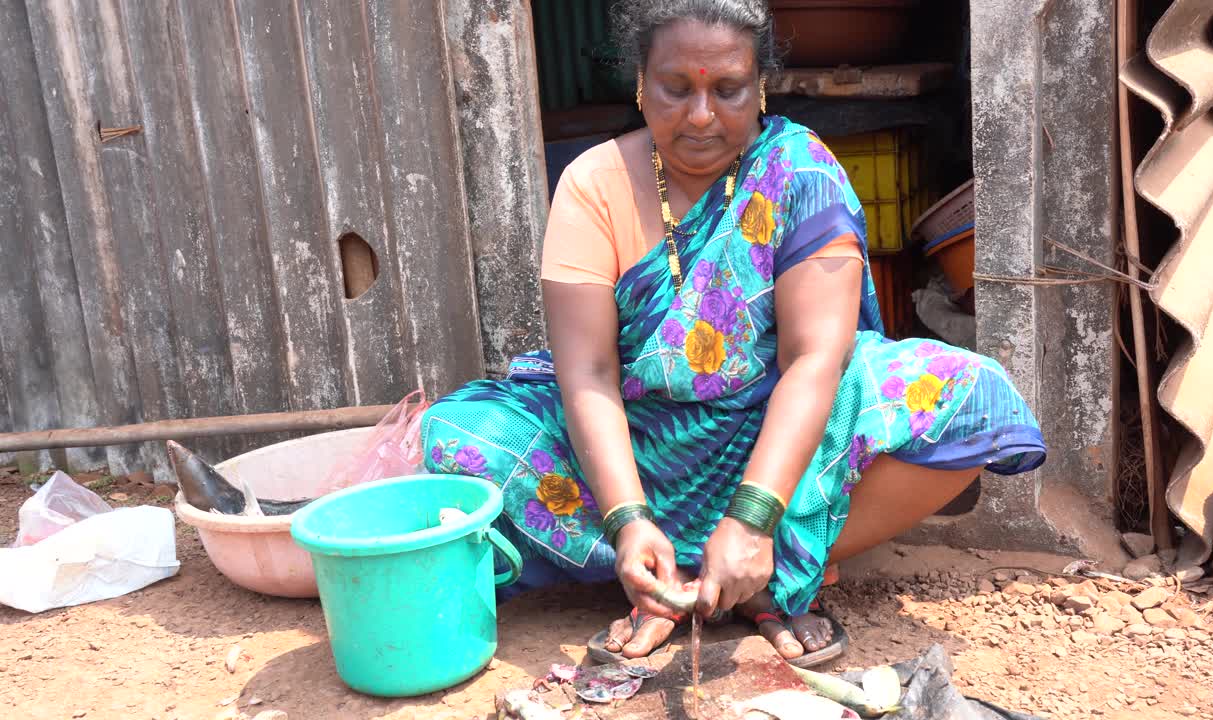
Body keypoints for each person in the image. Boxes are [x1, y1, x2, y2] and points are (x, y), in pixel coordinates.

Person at [420, 0, 1045, 668]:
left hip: (781, 442)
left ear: (760, 86)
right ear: (639, 83)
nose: (700, 116)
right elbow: (589, 375)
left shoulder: (798, 170)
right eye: (676, 88)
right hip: (636, 440)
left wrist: (751, 519)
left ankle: (763, 565)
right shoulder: (593, 183)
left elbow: (815, 361)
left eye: (727, 90)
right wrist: (628, 521)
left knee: (974, 397)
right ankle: (669, 574)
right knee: (456, 439)